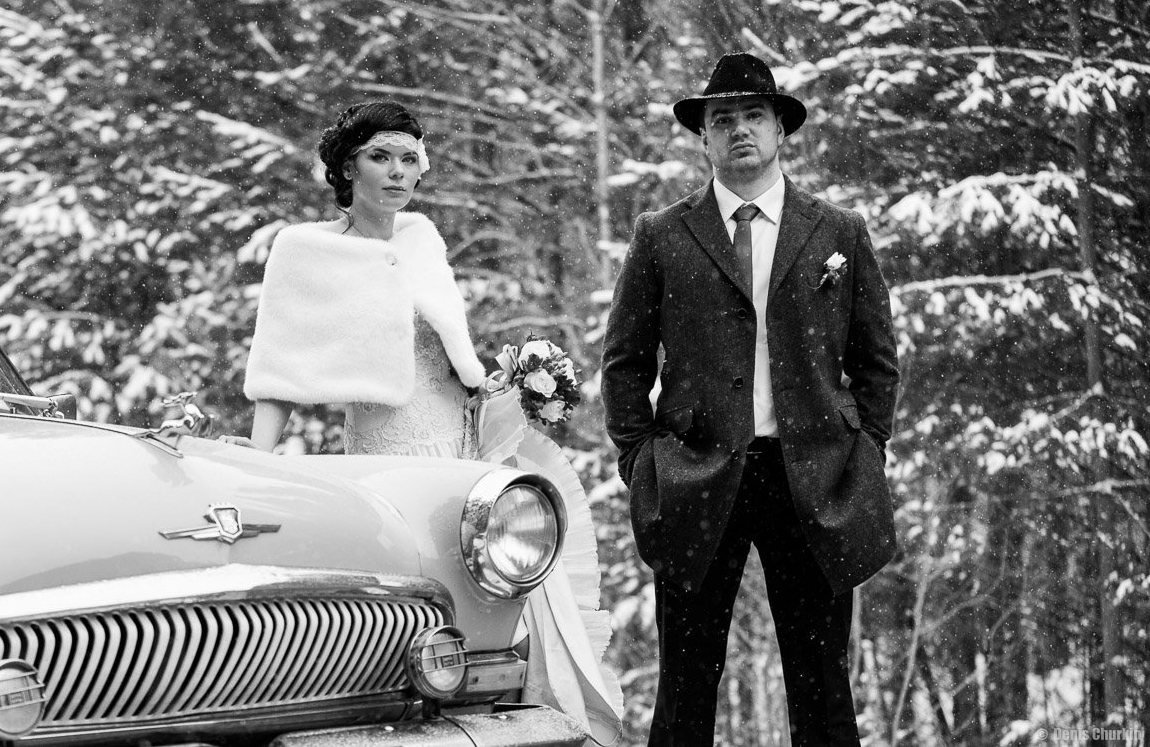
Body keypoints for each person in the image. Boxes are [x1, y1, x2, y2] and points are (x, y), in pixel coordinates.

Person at [238, 101, 623, 745]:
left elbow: (448, 351)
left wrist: (510, 384)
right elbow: (281, 369)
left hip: (460, 438)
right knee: (413, 588)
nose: (398, 172)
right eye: (380, 157)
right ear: (347, 167)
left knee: (488, 592)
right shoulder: (306, 252)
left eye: (409, 158)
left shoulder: (422, 238)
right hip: (388, 446)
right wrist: (257, 460)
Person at [601, 53, 900, 746]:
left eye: (754, 116)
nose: (740, 130)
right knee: (685, 688)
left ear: (780, 129)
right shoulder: (662, 234)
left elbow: (876, 360)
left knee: (822, 686)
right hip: (696, 475)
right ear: (703, 137)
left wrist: (865, 451)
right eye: (723, 119)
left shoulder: (838, 231)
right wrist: (641, 461)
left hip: (815, 477)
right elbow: (624, 362)